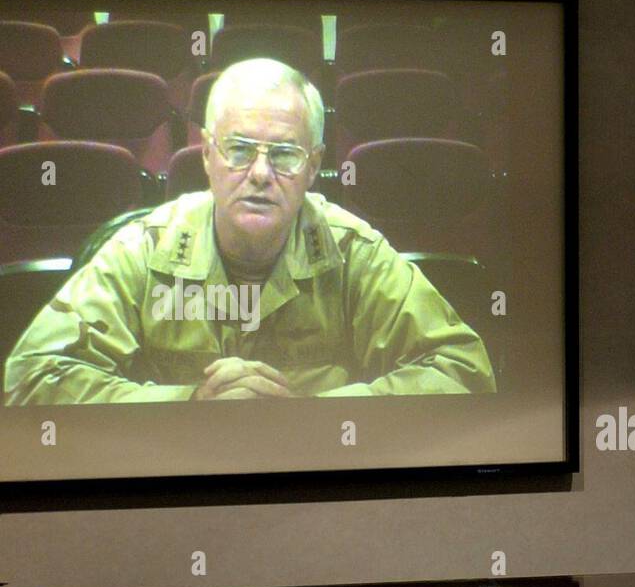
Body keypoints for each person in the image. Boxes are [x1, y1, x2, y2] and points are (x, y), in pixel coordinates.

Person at [4, 58, 496, 404]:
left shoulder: (352, 252)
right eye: (239, 149)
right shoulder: (144, 248)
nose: (260, 173)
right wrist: (187, 405)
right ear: (207, 155)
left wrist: (311, 412)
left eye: (284, 153)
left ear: (313, 167)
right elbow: (29, 378)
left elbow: (465, 369)